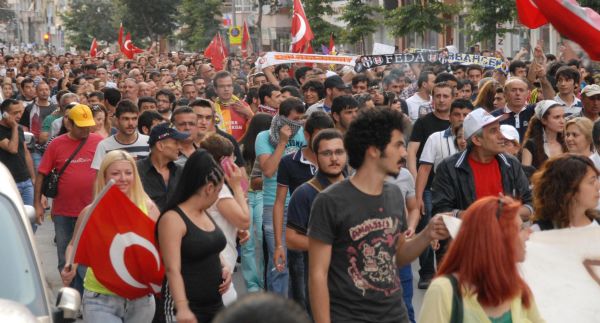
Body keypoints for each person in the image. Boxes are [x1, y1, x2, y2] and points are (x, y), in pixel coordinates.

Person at [308, 107, 449, 323]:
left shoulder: (393, 193)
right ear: (374, 150)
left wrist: (427, 234)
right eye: (398, 145)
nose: (404, 153)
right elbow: (318, 275)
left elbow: (398, 255)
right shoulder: (329, 201)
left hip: (395, 314)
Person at [61, 150, 160, 322]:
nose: (123, 178)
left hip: (141, 299)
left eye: (128, 173)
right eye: (115, 173)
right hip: (100, 298)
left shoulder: (149, 208)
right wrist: (71, 265)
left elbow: (161, 247)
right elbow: (73, 245)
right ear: (104, 177)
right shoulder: (91, 212)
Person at [418, 196, 544, 323]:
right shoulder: (443, 292)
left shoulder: (518, 287)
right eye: (520, 229)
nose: (529, 233)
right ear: (497, 240)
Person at [156, 149, 232, 323]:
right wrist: (182, 307)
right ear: (209, 188)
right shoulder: (173, 219)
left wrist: (224, 265)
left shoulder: (203, 212)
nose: (219, 195)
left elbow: (208, 244)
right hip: (186, 308)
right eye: (219, 190)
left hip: (215, 305)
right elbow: (172, 268)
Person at [34, 104, 102, 293]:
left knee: (87, 259)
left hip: (91, 211)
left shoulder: (99, 142)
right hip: (63, 212)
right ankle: (70, 295)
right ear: (69, 124)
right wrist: (37, 203)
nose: (86, 129)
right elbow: (41, 174)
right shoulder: (56, 144)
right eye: (81, 126)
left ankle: (83, 296)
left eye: (88, 125)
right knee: (65, 258)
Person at [272, 111, 334, 303]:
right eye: (320, 135)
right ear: (307, 135)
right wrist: (279, 244)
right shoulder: (288, 162)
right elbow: (279, 202)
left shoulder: (336, 162)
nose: (324, 141)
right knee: (302, 294)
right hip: (299, 236)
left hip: (332, 237)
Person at [432, 108, 533, 221]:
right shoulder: (449, 168)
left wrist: (508, 211)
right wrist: (479, 215)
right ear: (476, 139)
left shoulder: (511, 163)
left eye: (499, 129)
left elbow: (530, 203)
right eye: (494, 131)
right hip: (469, 237)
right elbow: (440, 211)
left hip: (506, 237)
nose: (502, 136)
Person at [285, 129, 346, 313]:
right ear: (315, 156)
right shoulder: (305, 193)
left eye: (339, 152)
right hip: (321, 282)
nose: (334, 158)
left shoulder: (357, 189)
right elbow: (291, 238)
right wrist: (330, 244)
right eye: (327, 153)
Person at [256, 97, 306, 295]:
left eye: (301, 119)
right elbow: (268, 170)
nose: (298, 124)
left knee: (300, 264)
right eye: (295, 119)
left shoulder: (304, 134)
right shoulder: (264, 136)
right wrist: (283, 143)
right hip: (274, 204)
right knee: (279, 263)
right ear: (282, 118)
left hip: (300, 205)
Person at [406, 82, 453, 289]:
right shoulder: (423, 123)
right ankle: (426, 272)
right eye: (438, 96)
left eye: (445, 96)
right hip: (428, 186)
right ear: (432, 98)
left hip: (451, 189)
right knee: (427, 227)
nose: (441, 99)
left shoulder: (460, 122)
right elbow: (411, 154)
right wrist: (418, 189)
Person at [201, 134, 250, 305]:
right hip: (220, 264)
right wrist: (236, 186)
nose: (235, 162)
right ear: (224, 161)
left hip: (217, 258)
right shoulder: (219, 191)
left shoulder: (205, 184)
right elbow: (245, 220)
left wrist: (236, 230)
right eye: (233, 158)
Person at [238, 113, 273, 292]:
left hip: (244, 196)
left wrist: (243, 190)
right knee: (261, 240)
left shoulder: (241, 146)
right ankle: (262, 279)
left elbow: (239, 174)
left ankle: (252, 284)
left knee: (247, 242)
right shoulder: (267, 147)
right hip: (262, 194)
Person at [531, 154, 600, 230]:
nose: (598, 186)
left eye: (597, 179)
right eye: (592, 182)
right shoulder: (539, 232)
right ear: (569, 189)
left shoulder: (597, 222)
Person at [137, 123, 188, 212]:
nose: (180, 147)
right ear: (160, 146)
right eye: (176, 142)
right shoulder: (136, 170)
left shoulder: (181, 171)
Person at [92, 100, 149, 169]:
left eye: (134, 119)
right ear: (117, 120)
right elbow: (99, 177)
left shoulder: (148, 142)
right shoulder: (104, 146)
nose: (131, 123)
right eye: (126, 119)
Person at [0, 99, 35, 206]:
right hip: (9, 183)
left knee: (29, 218)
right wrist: (15, 127)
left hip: (26, 181)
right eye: (15, 113)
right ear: (5, 114)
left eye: (20, 112)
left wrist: (32, 177)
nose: (19, 116)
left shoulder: (19, 128)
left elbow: (25, 152)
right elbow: (12, 149)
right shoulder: (11, 128)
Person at [520, 100, 566, 170]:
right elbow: (526, 174)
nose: (562, 121)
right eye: (557, 117)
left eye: (563, 117)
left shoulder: (567, 142)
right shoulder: (531, 144)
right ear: (544, 120)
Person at [213, 71, 254, 141]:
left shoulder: (243, 105)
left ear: (233, 87)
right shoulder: (211, 108)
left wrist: (250, 114)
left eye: (229, 85)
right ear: (215, 89)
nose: (226, 89)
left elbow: (255, 128)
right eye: (222, 86)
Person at [492, 78, 535, 142]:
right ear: (505, 94)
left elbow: (551, 103)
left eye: (521, 90)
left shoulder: (534, 111)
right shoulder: (494, 117)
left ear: (528, 94)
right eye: (513, 90)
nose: (517, 93)